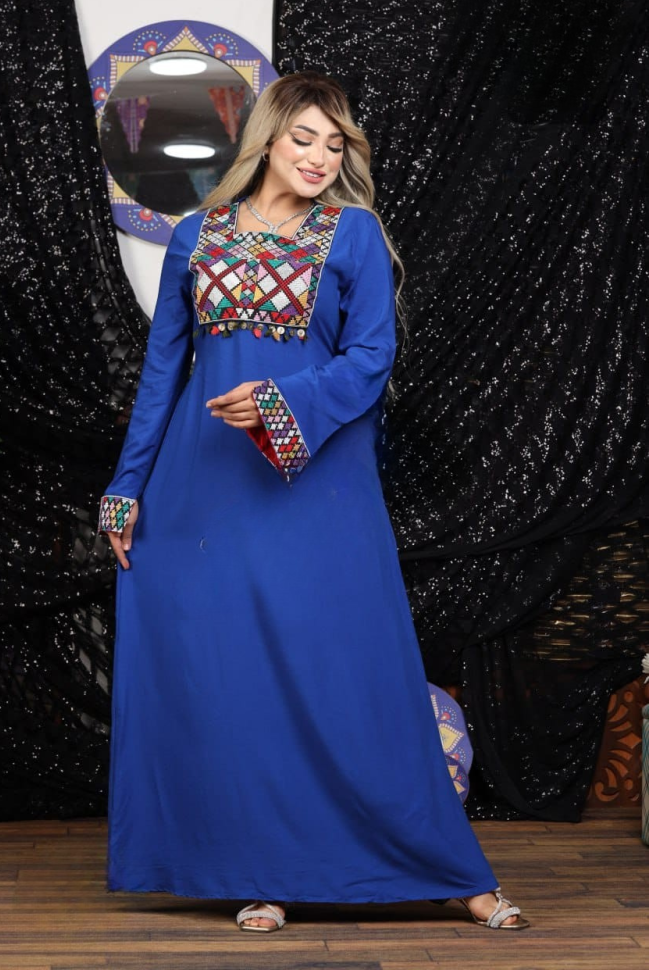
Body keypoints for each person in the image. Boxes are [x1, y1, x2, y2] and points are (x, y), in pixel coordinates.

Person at [100, 71, 528, 933]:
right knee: (234, 681)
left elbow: (371, 358)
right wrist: (124, 487)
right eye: (304, 138)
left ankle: (451, 872)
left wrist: (278, 401)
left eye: (336, 144)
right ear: (265, 139)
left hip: (316, 484)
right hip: (203, 492)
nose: (321, 157)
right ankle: (261, 872)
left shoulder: (353, 233)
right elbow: (161, 374)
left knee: (352, 672)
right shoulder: (196, 237)